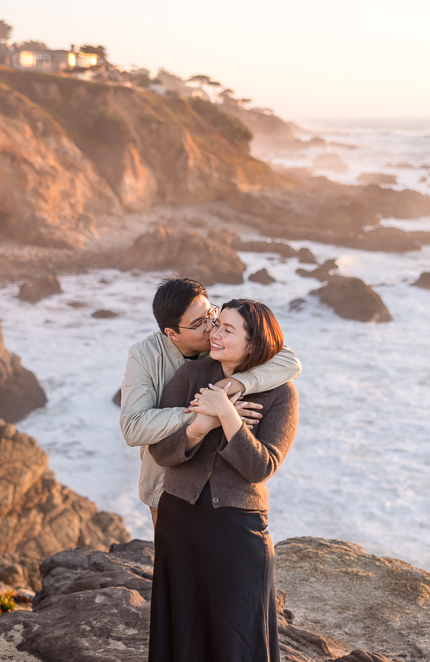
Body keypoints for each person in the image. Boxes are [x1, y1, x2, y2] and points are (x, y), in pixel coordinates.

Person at [147, 299, 297, 662]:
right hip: (179, 523)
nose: (214, 334)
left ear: (254, 343)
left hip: (237, 531)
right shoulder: (191, 376)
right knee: (181, 630)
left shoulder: (281, 394)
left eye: (228, 330)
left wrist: (227, 414)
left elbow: (262, 466)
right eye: (217, 325)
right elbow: (161, 452)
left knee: (239, 638)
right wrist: (201, 426)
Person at [119, 278, 300, 526]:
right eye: (198, 324)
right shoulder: (145, 355)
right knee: (173, 561)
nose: (211, 328)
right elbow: (133, 428)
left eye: (210, 314)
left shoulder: (221, 340)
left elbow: (290, 360)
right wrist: (205, 414)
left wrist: (237, 384)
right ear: (172, 333)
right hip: (165, 485)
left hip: (221, 493)